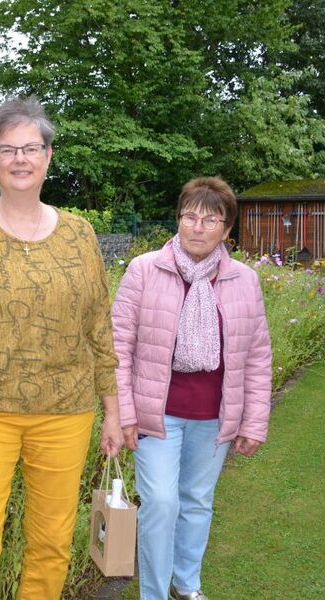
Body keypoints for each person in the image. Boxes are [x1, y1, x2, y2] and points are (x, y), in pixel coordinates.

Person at [0, 96, 124, 600]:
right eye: (7, 148)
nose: (20, 158)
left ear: (48, 157)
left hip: (66, 414)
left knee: (52, 544)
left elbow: (98, 328)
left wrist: (113, 413)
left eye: (31, 147)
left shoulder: (80, 235)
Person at [111, 176, 272, 600]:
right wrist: (124, 413)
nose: (198, 227)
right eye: (189, 216)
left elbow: (257, 356)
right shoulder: (145, 269)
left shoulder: (244, 281)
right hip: (156, 414)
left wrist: (254, 421)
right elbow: (118, 348)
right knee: (162, 504)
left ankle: (187, 585)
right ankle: (154, 594)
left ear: (227, 229)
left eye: (210, 219)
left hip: (214, 416)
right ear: (178, 219)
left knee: (197, 501)